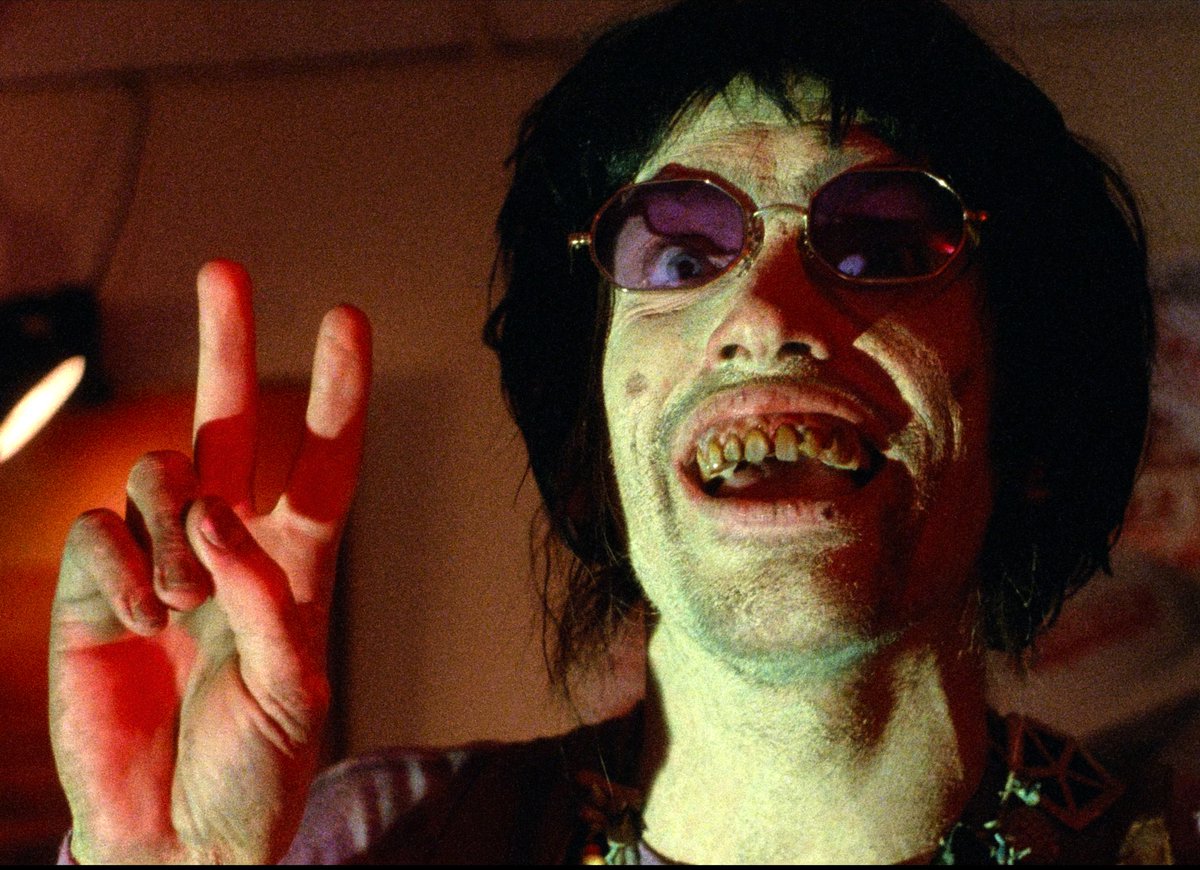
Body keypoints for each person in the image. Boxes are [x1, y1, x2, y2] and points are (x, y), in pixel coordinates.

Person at [49, 0, 1172, 863]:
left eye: (878, 246)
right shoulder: (367, 844)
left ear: (1030, 423)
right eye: (678, 257)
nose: (765, 314)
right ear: (590, 450)